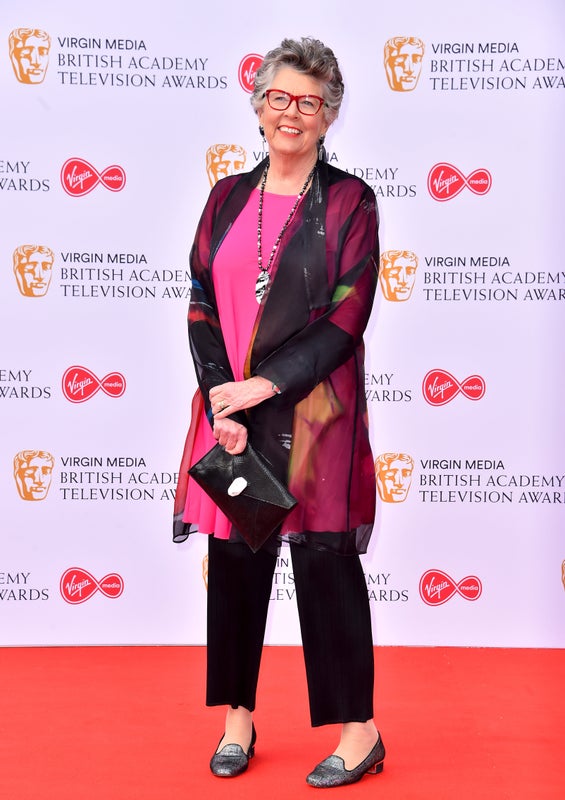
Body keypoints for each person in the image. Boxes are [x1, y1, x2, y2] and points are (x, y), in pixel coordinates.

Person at [173, 37, 384, 788]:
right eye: (278, 97)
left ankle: (358, 732)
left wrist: (263, 387)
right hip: (230, 410)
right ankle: (238, 718)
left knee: (324, 565)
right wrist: (217, 394)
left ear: (328, 116)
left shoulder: (350, 200)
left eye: (309, 101)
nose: (291, 112)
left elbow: (345, 317)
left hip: (316, 416)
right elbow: (201, 298)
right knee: (234, 559)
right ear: (257, 105)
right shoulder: (226, 196)